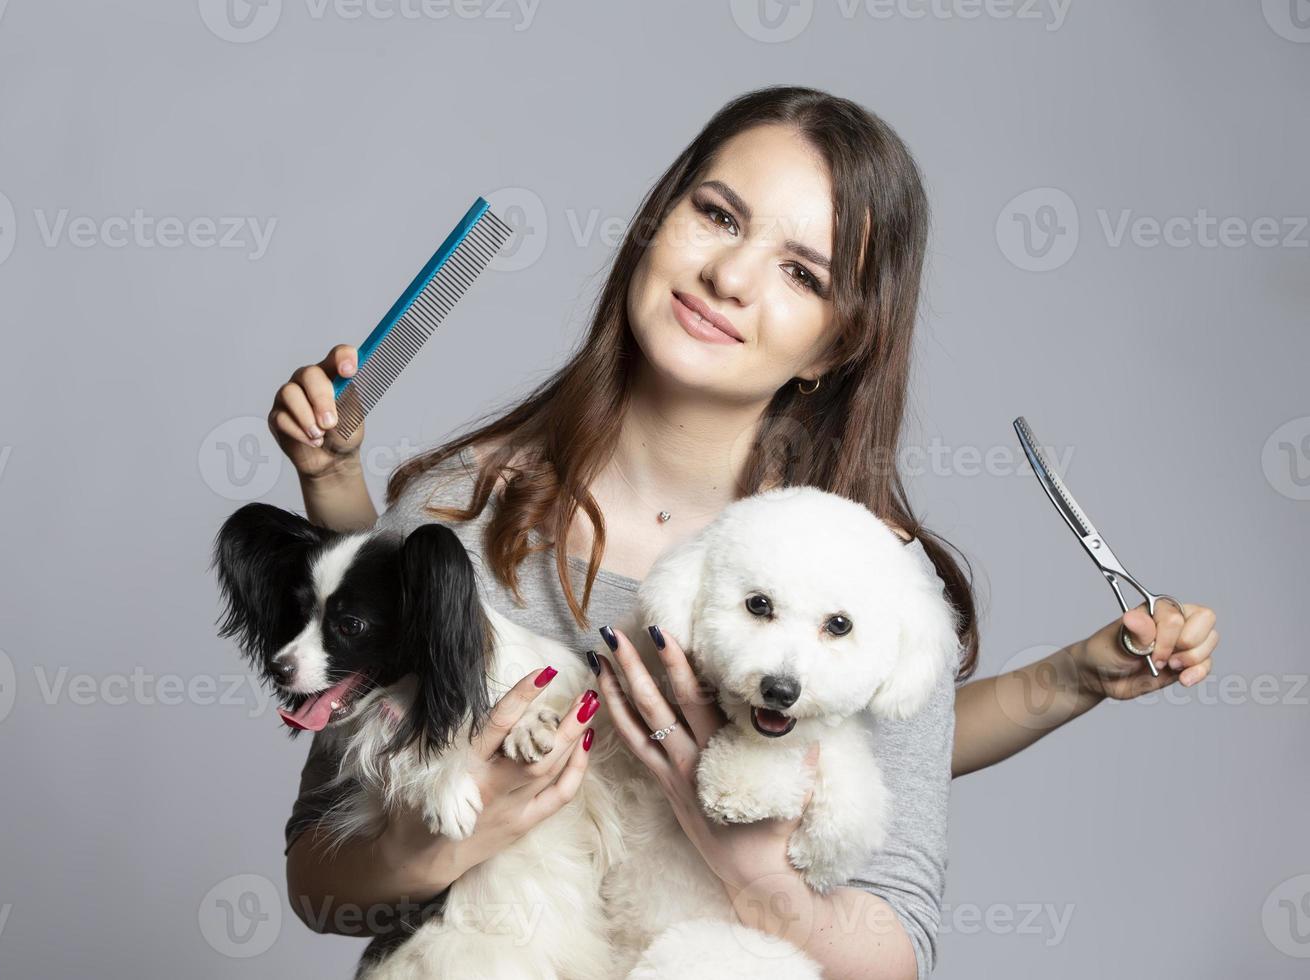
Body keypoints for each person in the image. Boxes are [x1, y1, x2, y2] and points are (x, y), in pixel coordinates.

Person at [269, 85, 1220, 980]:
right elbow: (317, 882)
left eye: (799, 272)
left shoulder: (856, 574)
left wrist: (754, 872)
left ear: (839, 344)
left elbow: (896, 946)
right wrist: (437, 840)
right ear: (656, 223)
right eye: (718, 216)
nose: (727, 276)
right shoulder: (453, 518)